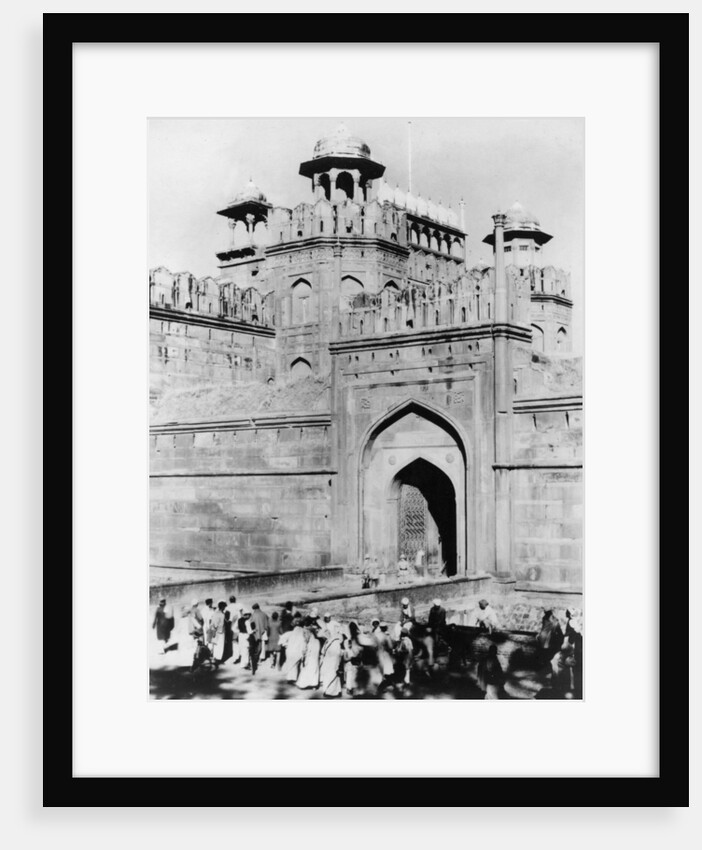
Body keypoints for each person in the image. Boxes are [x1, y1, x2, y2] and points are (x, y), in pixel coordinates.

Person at [319, 622, 343, 697]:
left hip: (333, 662)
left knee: (332, 676)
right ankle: (333, 691)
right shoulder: (327, 641)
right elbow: (323, 651)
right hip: (327, 662)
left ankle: (331, 692)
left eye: (327, 633)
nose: (326, 635)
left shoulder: (335, 642)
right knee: (328, 676)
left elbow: (338, 653)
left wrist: (337, 664)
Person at [297, 618, 321, 690]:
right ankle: (314, 684)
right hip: (316, 645)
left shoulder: (306, 630)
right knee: (314, 665)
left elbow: (306, 640)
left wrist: (304, 651)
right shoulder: (314, 628)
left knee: (308, 665)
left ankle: (305, 684)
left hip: (311, 646)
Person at [281, 618, 308, 683]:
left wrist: (285, 644)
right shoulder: (303, 632)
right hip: (298, 649)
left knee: (292, 664)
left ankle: (291, 678)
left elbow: (282, 639)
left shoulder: (290, 633)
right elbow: (305, 641)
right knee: (296, 664)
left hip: (291, 649)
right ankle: (294, 678)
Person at [342, 621, 363, 695]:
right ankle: (349, 688)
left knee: (352, 673)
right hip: (352, 655)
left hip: (354, 655)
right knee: (351, 673)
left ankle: (351, 687)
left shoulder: (356, 635)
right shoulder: (355, 635)